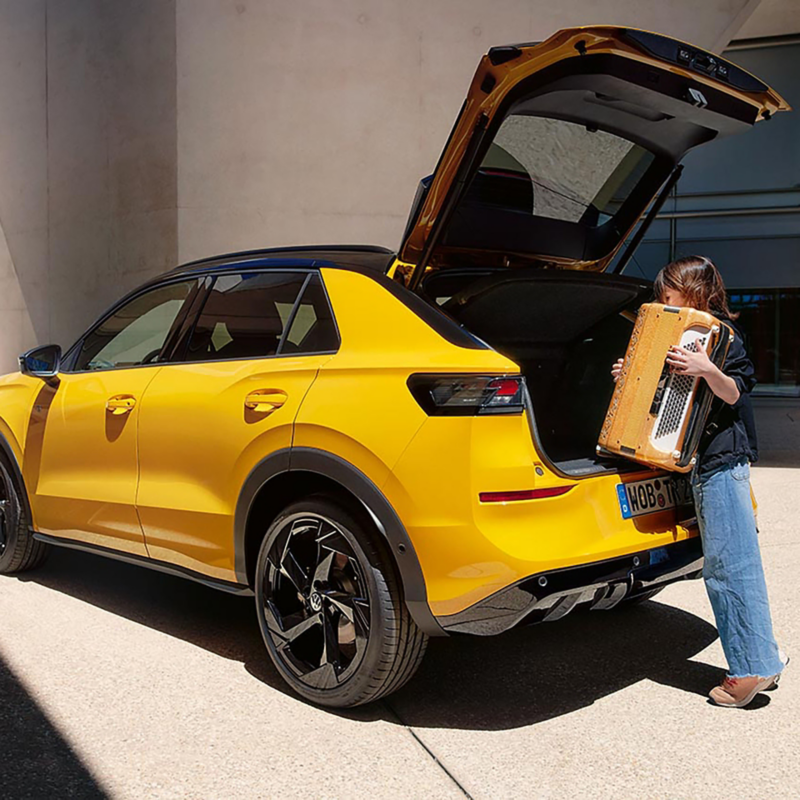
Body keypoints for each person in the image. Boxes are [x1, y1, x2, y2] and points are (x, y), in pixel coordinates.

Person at [611, 255, 786, 708]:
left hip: (723, 461)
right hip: (701, 463)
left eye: (667, 291)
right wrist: (629, 377)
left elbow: (735, 391)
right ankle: (763, 657)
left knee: (729, 568)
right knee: (736, 562)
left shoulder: (722, 336)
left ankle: (750, 670)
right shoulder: (672, 335)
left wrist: (707, 368)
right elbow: (666, 398)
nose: (660, 299)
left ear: (692, 290)